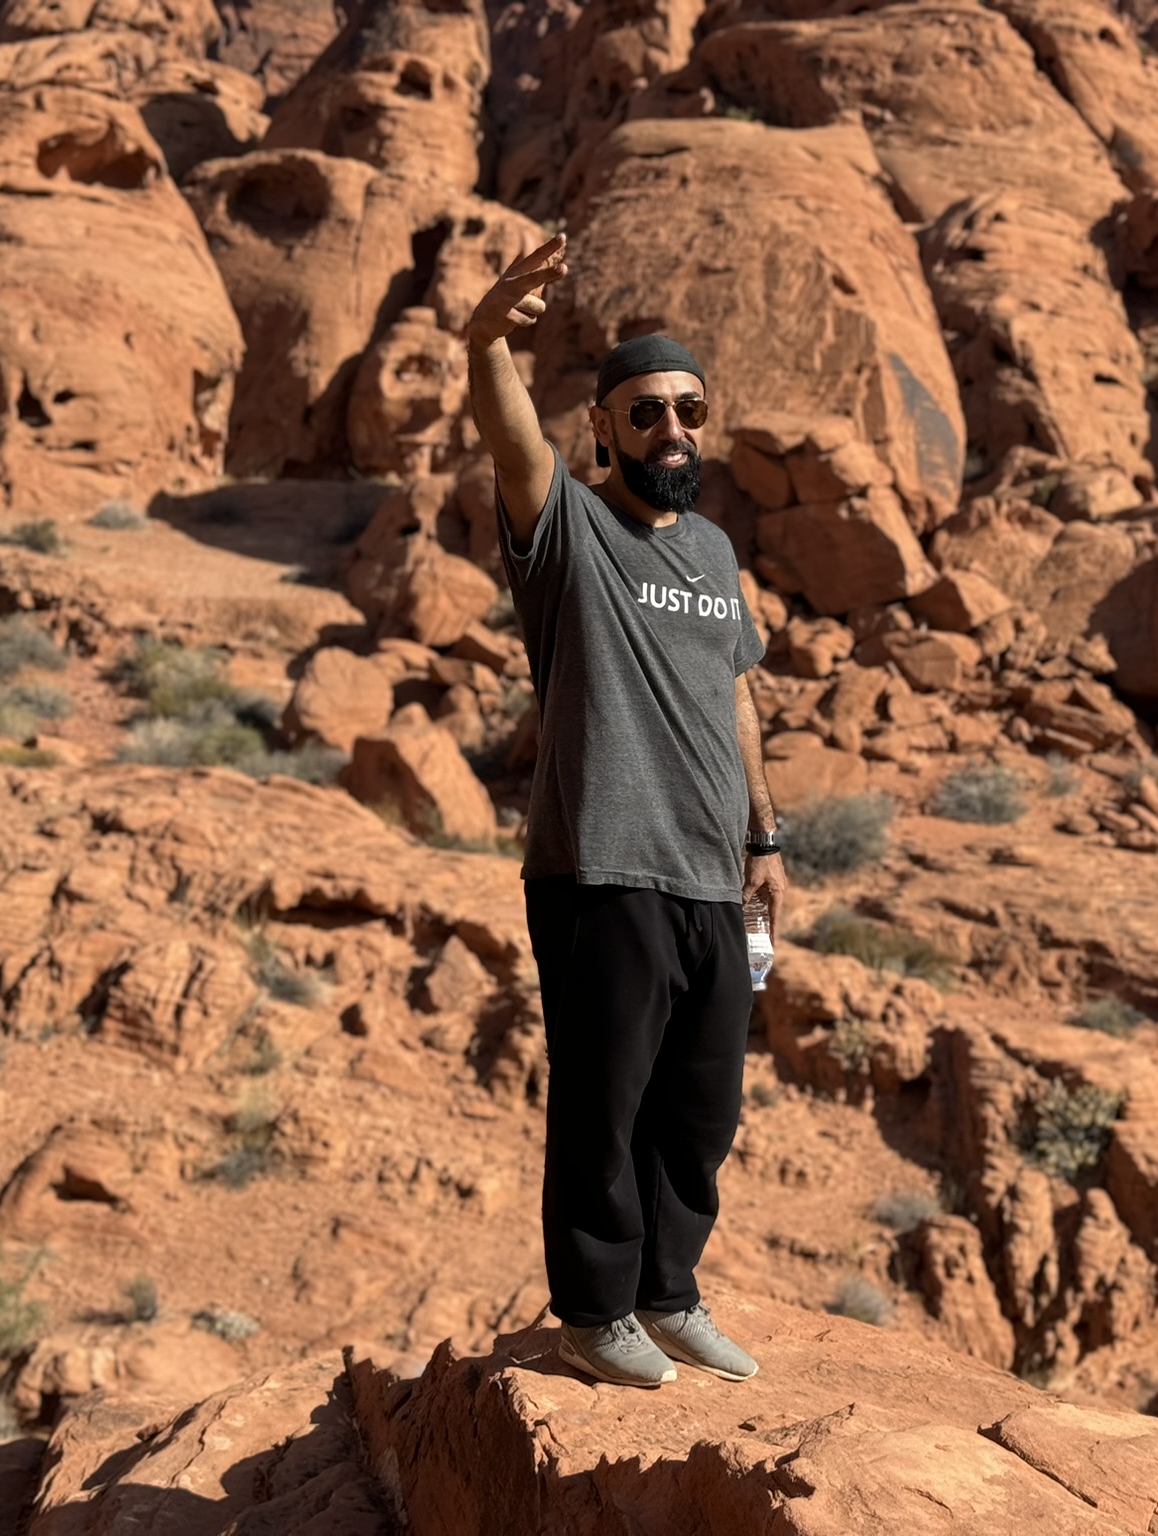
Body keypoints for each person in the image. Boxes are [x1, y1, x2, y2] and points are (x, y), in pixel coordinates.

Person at [466, 232, 788, 1388]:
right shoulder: (567, 529)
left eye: (688, 411)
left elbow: (734, 691)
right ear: (603, 426)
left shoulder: (709, 549)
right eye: (644, 414)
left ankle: (667, 1292)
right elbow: (509, 436)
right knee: (603, 1106)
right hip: (600, 865)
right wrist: (486, 341)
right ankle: (593, 1312)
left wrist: (763, 836)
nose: (670, 431)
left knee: (699, 1109)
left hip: (710, 872)